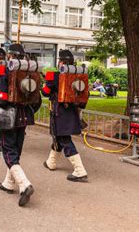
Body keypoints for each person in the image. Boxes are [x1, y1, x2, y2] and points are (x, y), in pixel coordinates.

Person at [0, 44, 41, 207]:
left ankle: (24, 184)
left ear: (10, 56)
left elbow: (1, 98)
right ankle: (8, 183)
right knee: (16, 149)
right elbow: (38, 100)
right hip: (24, 117)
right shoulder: (31, 71)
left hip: (9, 116)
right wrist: (27, 111)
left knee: (8, 150)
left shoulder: (4, 70)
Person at [42, 49, 88, 182]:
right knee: (59, 137)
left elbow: (45, 92)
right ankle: (51, 162)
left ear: (61, 62)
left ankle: (80, 170)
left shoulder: (54, 76)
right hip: (71, 111)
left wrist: (44, 85)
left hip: (59, 113)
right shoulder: (78, 76)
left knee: (64, 139)